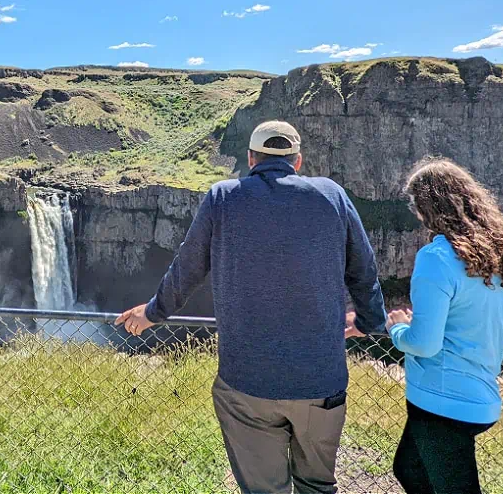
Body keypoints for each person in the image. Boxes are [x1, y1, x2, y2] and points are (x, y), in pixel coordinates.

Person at [116, 120, 387, 494]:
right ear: (298, 160)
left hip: (248, 383)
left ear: (250, 158)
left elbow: (187, 268)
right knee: (318, 486)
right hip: (321, 382)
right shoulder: (332, 196)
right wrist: (370, 321)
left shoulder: (223, 197)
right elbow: (364, 269)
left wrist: (152, 313)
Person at [386, 157, 503, 494]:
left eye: (415, 203)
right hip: (482, 394)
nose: (414, 212)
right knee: (409, 468)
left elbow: (425, 344)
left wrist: (398, 328)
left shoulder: (437, 257)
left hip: (441, 399)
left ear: (429, 206)